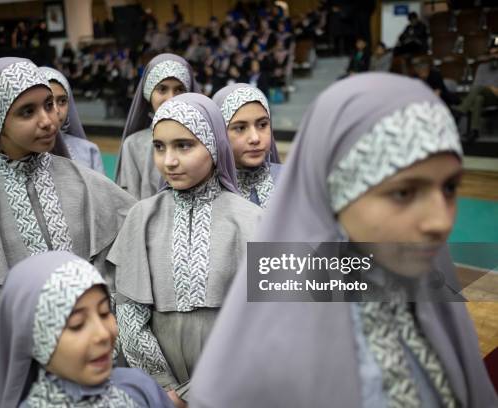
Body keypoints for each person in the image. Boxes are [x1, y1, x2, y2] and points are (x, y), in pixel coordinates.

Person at [189, 73, 497, 407]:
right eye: (404, 192)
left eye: (450, 188)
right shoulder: (275, 349)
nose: (441, 221)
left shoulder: (432, 305)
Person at [0, 57, 135, 407]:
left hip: (96, 362)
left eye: (50, 104)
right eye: (27, 112)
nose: (49, 120)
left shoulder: (87, 187)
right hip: (15, 375)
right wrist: (14, 371)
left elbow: (110, 276)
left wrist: (96, 348)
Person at [108, 93, 262, 407]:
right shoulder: (142, 217)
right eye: (159, 147)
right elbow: (129, 313)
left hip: (232, 387)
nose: (169, 161)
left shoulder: (253, 220)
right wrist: (162, 389)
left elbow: (259, 325)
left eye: (184, 145)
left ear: (214, 147)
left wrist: (191, 392)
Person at [0, 251, 174, 407]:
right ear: (36, 340)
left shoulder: (140, 389)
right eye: (77, 324)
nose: (103, 334)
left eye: (104, 313)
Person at [115, 53, 199, 200]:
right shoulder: (133, 145)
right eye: (162, 89)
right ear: (149, 94)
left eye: (179, 90)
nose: (171, 98)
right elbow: (129, 204)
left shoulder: (204, 142)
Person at [212, 83, 281, 208]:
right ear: (219, 133)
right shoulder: (206, 195)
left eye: (262, 125)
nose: (255, 138)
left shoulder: (292, 182)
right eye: (240, 128)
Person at [39, 66, 104, 173]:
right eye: (48, 103)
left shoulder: (88, 151)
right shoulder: (20, 155)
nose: (56, 110)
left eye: (62, 101)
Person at [454, 39, 498, 142]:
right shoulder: (482, 67)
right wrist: (489, 88)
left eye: (496, 53)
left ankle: (459, 112)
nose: (494, 56)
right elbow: (475, 86)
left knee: (478, 90)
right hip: (485, 96)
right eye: (491, 54)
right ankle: (474, 131)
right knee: (478, 98)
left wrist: (489, 88)